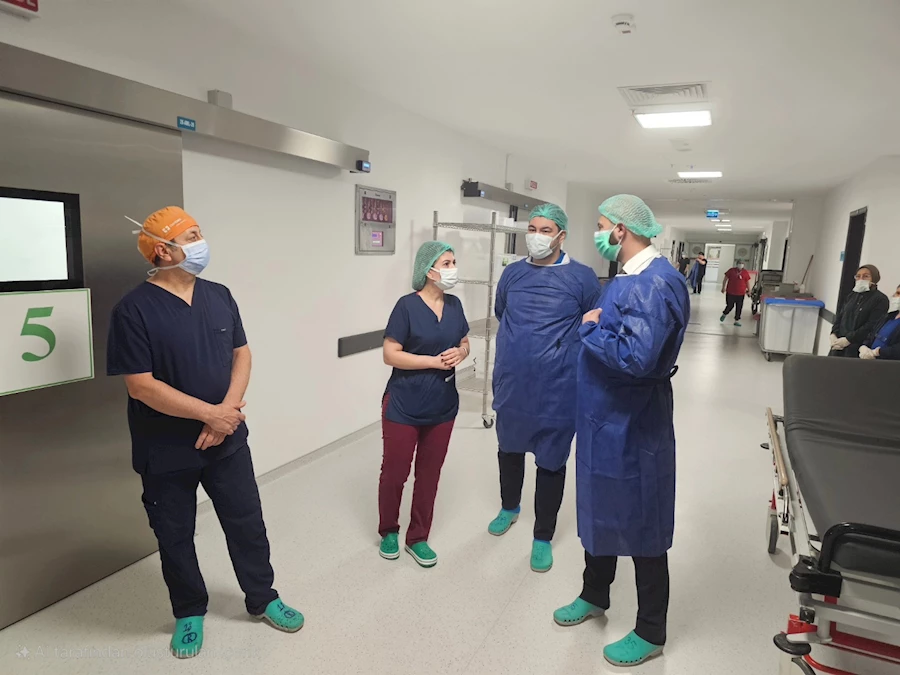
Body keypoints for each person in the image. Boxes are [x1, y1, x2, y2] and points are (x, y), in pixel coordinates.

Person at [107, 207, 302, 660]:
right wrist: (209, 415)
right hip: (166, 448)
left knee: (247, 523)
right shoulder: (133, 310)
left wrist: (226, 413)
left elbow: (242, 354)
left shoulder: (219, 295)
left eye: (199, 233)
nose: (201, 243)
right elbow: (141, 385)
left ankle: (263, 597)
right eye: (191, 236)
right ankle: (189, 610)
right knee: (174, 534)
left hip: (227, 441)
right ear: (162, 250)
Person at [553, 195, 690, 668]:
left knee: (642, 521)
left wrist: (590, 329)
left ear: (620, 230)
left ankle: (651, 630)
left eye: (601, 225)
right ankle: (595, 594)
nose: (598, 233)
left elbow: (637, 357)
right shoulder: (626, 277)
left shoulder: (656, 283)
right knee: (601, 508)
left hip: (634, 423)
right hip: (603, 418)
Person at [487, 203, 602, 573]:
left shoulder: (582, 278)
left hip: (558, 386)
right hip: (512, 380)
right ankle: (509, 507)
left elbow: (593, 323)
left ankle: (542, 535)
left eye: (546, 230)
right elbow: (502, 312)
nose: (536, 236)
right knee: (509, 448)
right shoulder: (512, 274)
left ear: (561, 236)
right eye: (532, 229)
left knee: (551, 461)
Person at [378, 241, 470, 568]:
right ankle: (389, 531)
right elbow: (390, 354)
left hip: (442, 406)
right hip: (404, 404)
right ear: (429, 270)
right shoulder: (406, 306)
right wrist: (432, 362)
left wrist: (462, 352)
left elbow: (464, 341)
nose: (452, 269)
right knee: (395, 473)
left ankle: (418, 537)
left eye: (454, 262)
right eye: (446, 263)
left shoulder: (455, 305)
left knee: (429, 475)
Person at [829, 265, 889, 358]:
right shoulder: (852, 296)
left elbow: (872, 325)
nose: (861, 279)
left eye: (866, 276)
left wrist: (848, 339)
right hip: (839, 345)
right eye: (858, 276)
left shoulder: (880, 299)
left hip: (857, 348)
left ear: (874, 278)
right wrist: (833, 333)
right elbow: (841, 316)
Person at [859, 285, 900, 361]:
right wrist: (864, 346)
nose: (894, 296)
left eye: (898, 293)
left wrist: (878, 352)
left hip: (889, 364)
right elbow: (872, 334)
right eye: (896, 293)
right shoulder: (889, 316)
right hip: (871, 361)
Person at [720, 259, 752, 327]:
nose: (741, 265)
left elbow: (747, 282)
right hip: (730, 292)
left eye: (742, 263)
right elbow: (725, 279)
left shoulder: (745, 272)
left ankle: (736, 320)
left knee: (739, 307)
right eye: (739, 263)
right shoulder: (731, 270)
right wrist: (723, 287)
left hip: (741, 293)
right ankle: (725, 313)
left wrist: (749, 290)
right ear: (737, 264)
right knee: (730, 305)